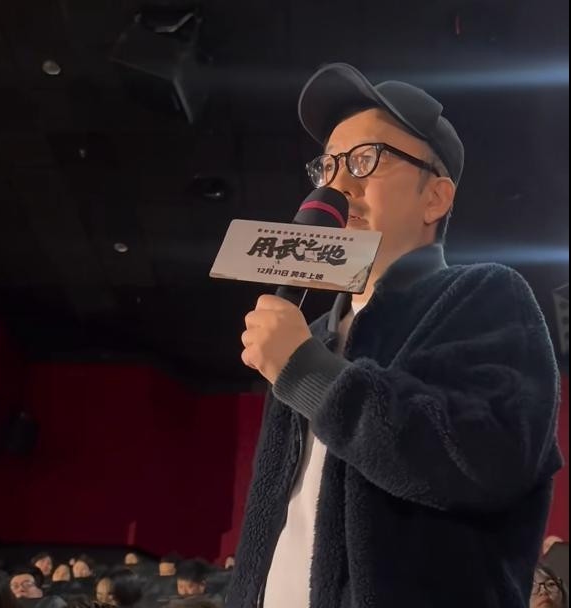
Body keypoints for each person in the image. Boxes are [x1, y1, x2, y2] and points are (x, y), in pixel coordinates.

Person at [229, 62, 563, 607]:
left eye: (366, 159)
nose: (338, 185)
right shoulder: (311, 335)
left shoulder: (487, 295)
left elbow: (488, 461)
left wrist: (309, 374)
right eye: (328, 166)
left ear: (436, 198)